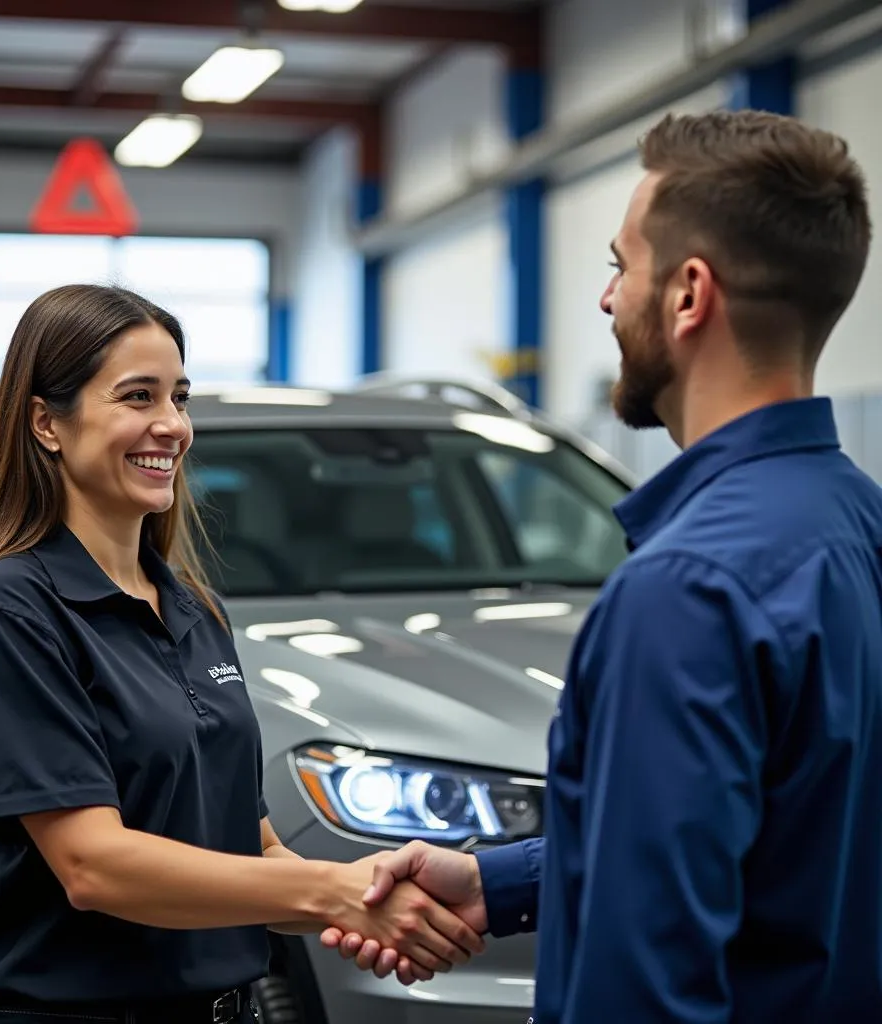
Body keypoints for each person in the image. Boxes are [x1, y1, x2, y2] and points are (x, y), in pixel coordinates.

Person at [323, 109, 882, 1022]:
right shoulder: (855, 519)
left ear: (689, 294)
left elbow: (644, 979)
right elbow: (778, 834)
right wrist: (496, 879)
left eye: (621, 266)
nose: (606, 299)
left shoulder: (687, 589)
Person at [0, 283, 484, 1024]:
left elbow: (254, 849)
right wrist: (332, 894)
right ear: (46, 422)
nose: (171, 426)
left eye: (179, 397)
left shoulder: (188, 607)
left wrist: (369, 890)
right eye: (137, 397)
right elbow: (93, 866)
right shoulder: (9, 611)